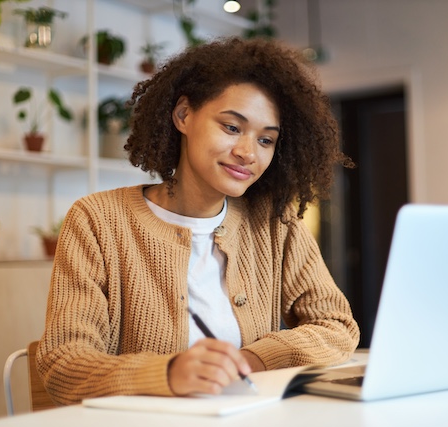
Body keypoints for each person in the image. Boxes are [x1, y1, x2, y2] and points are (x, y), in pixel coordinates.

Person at [36, 36, 360, 405]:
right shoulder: (99, 220)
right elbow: (62, 364)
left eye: (266, 140)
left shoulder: (274, 222)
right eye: (232, 128)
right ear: (183, 115)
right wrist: (168, 374)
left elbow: (336, 326)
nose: (247, 153)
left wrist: (254, 359)